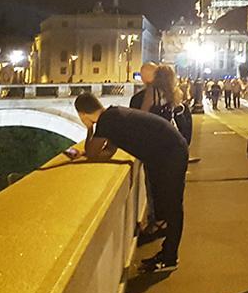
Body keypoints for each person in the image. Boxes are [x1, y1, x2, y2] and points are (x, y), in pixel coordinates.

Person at [73, 92, 189, 273]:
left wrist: (89, 129)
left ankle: (170, 258)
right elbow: (108, 152)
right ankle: (168, 253)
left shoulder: (107, 122)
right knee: (171, 206)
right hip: (170, 150)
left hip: (170, 153)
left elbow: (93, 154)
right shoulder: (113, 115)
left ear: (82, 114)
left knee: (173, 207)